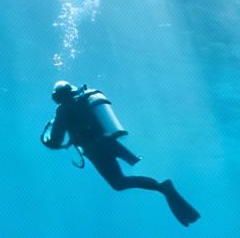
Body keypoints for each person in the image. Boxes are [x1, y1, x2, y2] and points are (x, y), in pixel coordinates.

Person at [41, 81, 201, 226]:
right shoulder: (85, 99)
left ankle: (162, 187)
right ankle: (163, 187)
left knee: (118, 183)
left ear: (57, 97)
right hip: (112, 142)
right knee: (140, 165)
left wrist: (46, 139)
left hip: (97, 152)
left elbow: (56, 141)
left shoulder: (62, 111)